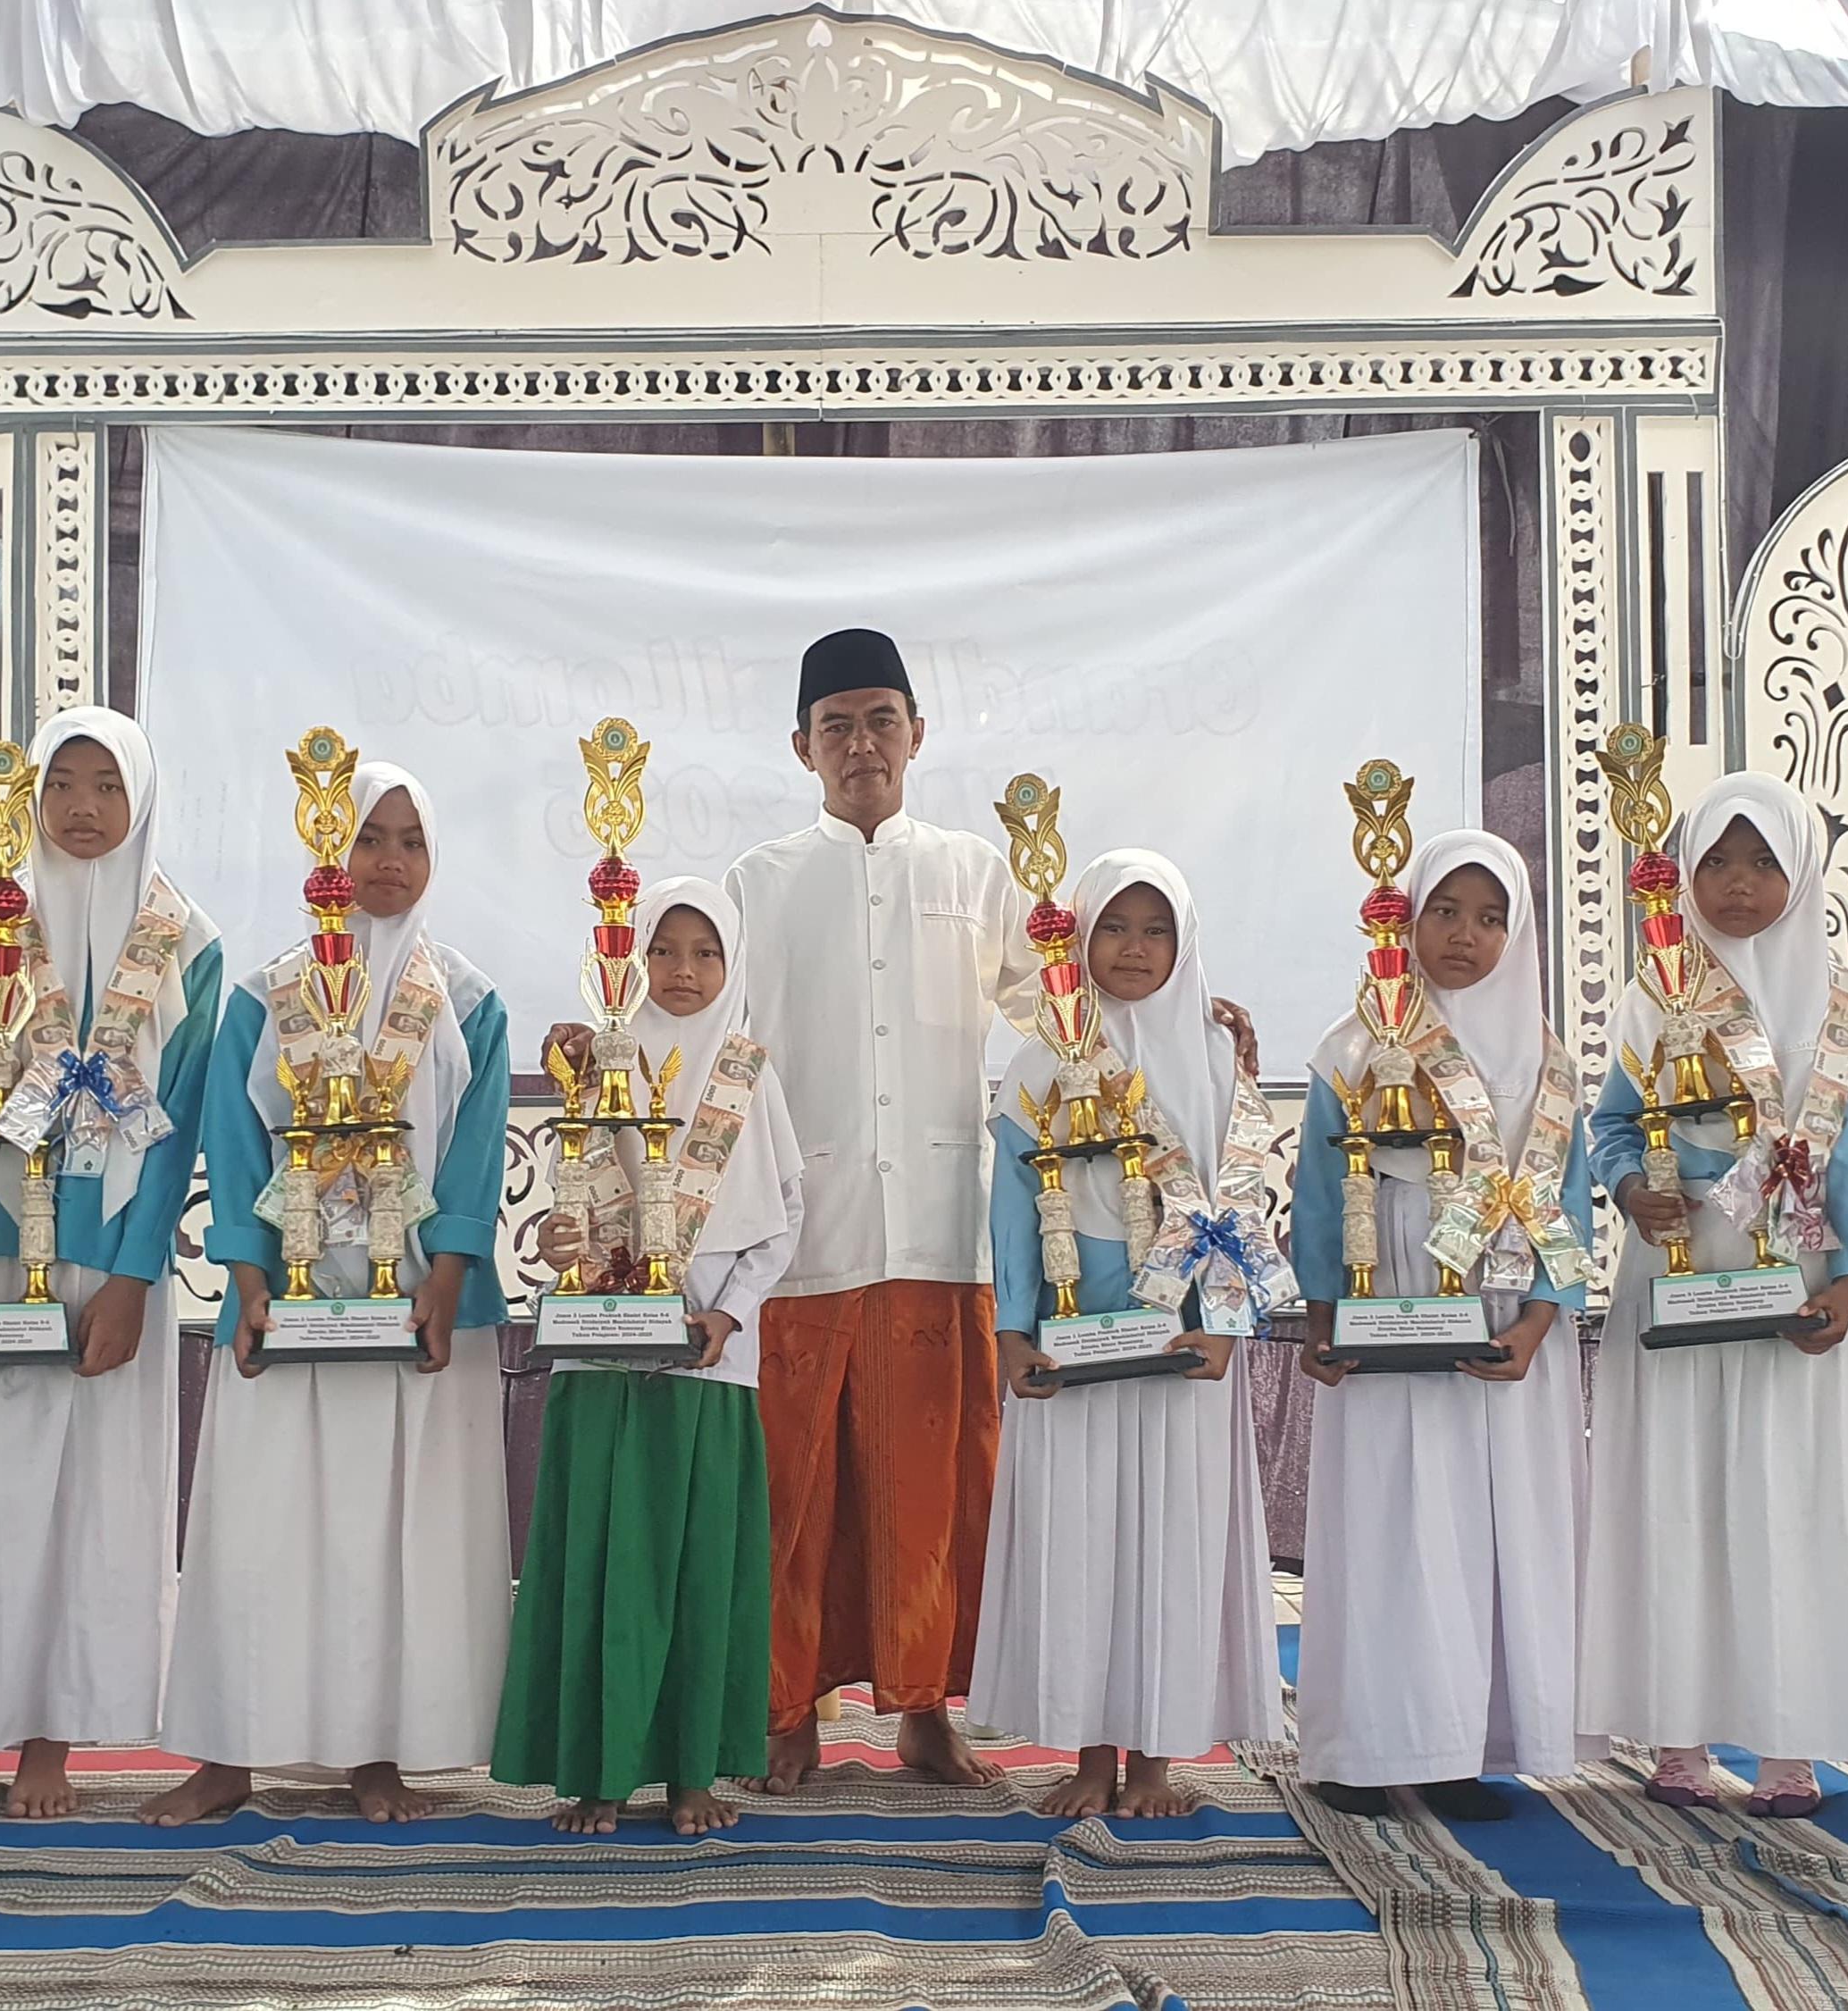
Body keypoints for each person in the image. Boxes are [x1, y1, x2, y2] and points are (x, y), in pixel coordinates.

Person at [0, 708, 224, 1819]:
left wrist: (130, 1278)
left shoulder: (185, 945)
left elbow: (188, 1120)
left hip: (107, 1266)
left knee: (84, 1507)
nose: (79, 806)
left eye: (105, 786)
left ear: (141, 802)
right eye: (61, 781)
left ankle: (50, 1743)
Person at [144, 761, 512, 1827]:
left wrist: (444, 1279)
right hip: (284, 1311)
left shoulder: (469, 1003)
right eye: (368, 838)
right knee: (263, 1528)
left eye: (410, 841)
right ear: (330, 856)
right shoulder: (267, 994)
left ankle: (377, 1749)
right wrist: (252, 1281)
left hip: (419, 1319)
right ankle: (227, 1754)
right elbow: (231, 1137)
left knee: (397, 1536)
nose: (388, 862)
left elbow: (476, 1157)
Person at [717, 627, 1040, 1792]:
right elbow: (716, 1035)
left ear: (917, 733)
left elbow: (1056, 1009)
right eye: (837, 725)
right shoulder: (758, 880)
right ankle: (786, 1705)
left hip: (938, 1232)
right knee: (794, 1491)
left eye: (880, 720)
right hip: (803, 1233)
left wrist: (1176, 1029)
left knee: (930, 1492)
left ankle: (924, 1713)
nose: (861, 745)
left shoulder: (975, 870)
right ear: (802, 747)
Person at [1576, 774, 1848, 1815]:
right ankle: (1678, 1734)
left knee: (1787, 1499)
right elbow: (1613, 1125)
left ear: (1801, 872)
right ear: (1686, 873)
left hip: (1796, 1281)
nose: (1740, 885)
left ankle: (1790, 1740)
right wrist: (1631, 1191)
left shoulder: (1842, 1006)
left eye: (1763, 862)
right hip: (1678, 1280)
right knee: (1679, 1493)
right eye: (1717, 860)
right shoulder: (1652, 994)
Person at [1290, 831, 1596, 1819]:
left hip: (1503, 1337)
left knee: (1485, 1536)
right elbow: (1324, 1198)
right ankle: (1365, 1748)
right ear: (1407, 919)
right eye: (1447, 912)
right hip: (1387, 1327)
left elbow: (1571, 1197)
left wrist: (1542, 1322)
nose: (1467, 936)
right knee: (1386, 1528)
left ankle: (1461, 1743)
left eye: (1493, 916)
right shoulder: (1351, 1047)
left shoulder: (1544, 1057)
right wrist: (1325, 1317)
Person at [972, 853, 1285, 1819]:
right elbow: (1014, 1211)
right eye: (1114, 927)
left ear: (1183, 942)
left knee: (1169, 1543)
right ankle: (1093, 1753)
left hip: (1184, 1349)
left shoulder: (1219, 1056)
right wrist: (1013, 1332)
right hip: (1072, 1351)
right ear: (1081, 939)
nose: (1135, 949)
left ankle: (1154, 1757)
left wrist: (1227, 1327)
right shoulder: (1037, 1062)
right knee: (1085, 1542)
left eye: (1156, 930)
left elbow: (1237, 1202)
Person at [494, 879, 807, 1837]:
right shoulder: (599, 1071)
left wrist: (731, 1316)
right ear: (626, 964)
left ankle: (688, 1772)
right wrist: (556, 1242)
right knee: (600, 1558)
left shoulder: (749, 1076)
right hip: (601, 1361)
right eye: (661, 951)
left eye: (704, 953)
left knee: (696, 1566)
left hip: (708, 1364)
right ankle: (594, 1771)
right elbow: (568, 1210)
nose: (680, 971)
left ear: (732, 965)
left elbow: (785, 1215)